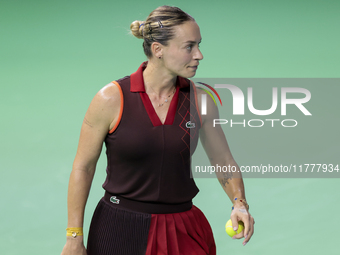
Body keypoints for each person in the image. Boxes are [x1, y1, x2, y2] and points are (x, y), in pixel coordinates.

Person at [60, 5, 254, 255]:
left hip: (182, 228)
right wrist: (74, 237)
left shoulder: (200, 101)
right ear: (158, 49)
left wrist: (239, 204)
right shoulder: (111, 99)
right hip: (119, 229)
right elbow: (83, 167)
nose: (199, 55)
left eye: (198, 45)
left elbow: (222, 160)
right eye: (189, 46)